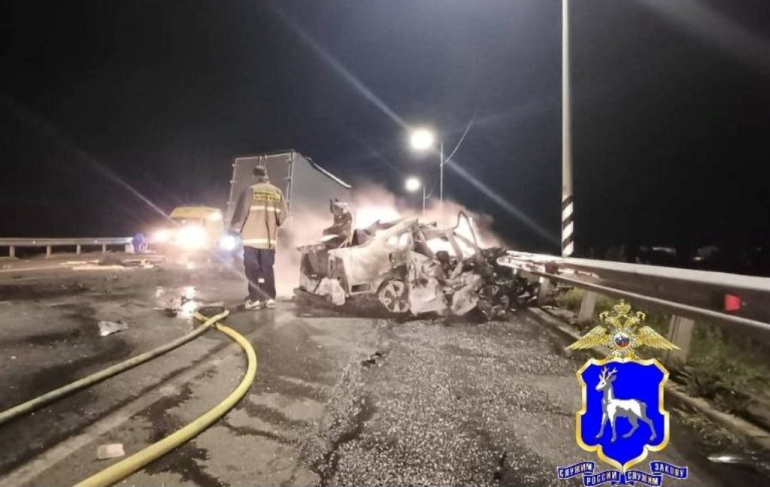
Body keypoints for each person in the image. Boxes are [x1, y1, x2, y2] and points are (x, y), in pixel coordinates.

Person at [229, 166, 288, 310]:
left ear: (254, 176)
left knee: (252, 269)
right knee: (267, 269)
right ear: (266, 175)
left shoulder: (250, 191)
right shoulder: (277, 192)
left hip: (251, 239)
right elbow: (283, 217)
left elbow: (240, 215)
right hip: (268, 241)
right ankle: (269, 298)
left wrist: (234, 229)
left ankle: (254, 299)